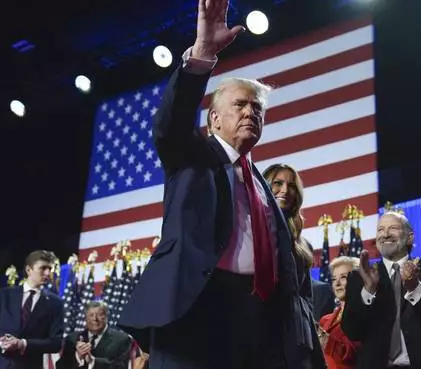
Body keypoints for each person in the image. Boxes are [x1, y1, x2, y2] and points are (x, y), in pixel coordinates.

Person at [117, 1, 312, 368]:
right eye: (240, 105)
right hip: (196, 310)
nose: (250, 113)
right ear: (214, 118)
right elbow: (169, 125)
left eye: (257, 109)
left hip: (257, 320)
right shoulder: (192, 156)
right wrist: (203, 54)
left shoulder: (262, 186)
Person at [341, 211, 421, 369]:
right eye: (380, 230)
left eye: (393, 228)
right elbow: (352, 330)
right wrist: (368, 291)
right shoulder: (360, 275)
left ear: (410, 237)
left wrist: (415, 288)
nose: (385, 234)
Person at [262, 163, 326, 369]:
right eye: (277, 183)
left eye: (291, 186)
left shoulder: (302, 243)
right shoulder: (251, 230)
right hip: (263, 329)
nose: (285, 190)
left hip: (298, 337)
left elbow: (307, 297)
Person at [0, 250, 63, 369]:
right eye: (43, 268)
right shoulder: (4, 295)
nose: (48, 272)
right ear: (29, 270)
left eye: (50, 268)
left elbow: (55, 343)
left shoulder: (55, 303)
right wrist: (0, 343)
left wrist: (22, 344)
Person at [55, 301, 133, 369]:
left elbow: (121, 367)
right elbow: (60, 366)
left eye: (99, 315)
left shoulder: (122, 339)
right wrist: (78, 356)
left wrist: (93, 361)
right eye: (91, 315)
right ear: (85, 318)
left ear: (106, 316)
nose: (95, 319)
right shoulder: (72, 338)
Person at [318, 256, 361, 369]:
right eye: (333, 279)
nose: (337, 284)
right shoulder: (325, 320)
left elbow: (354, 355)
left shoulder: (366, 315)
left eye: (343, 277)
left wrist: (327, 340)